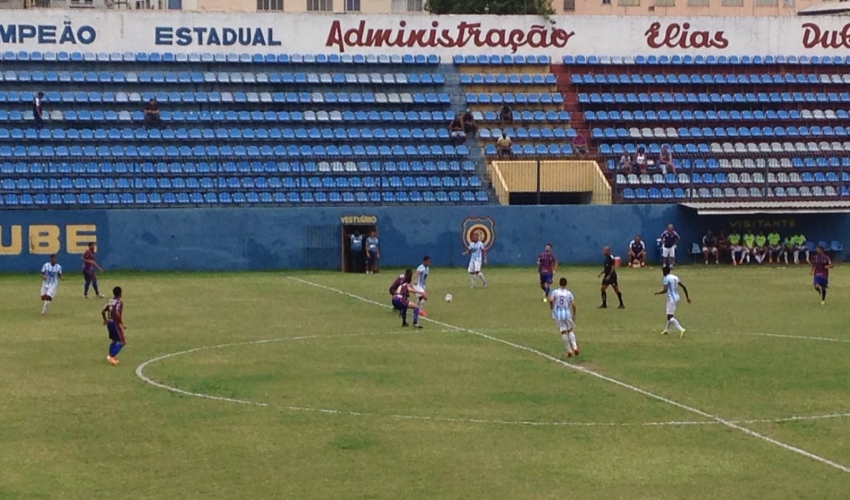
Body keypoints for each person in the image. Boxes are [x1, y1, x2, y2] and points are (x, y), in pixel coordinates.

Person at [655, 266, 691, 338]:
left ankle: (681, 329)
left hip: (671, 299)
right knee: (670, 315)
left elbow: (665, 290)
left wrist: (658, 293)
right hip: (677, 297)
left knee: (669, 317)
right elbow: (684, 287)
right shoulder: (675, 277)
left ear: (664, 272)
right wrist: (687, 297)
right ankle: (666, 330)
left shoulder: (666, 279)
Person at [548, 277, 579, 357]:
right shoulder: (569, 293)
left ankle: (569, 350)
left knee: (563, 332)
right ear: (566, 284)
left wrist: (551, 306)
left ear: (559, 284)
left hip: (558, 314)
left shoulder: (555, 292)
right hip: (566, 313)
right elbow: (573, 305)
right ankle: (575, 347)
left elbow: (551, 300)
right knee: (570, 330)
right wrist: (574, 314)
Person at [102, 286, 127, 366]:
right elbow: (117, 312)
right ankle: (111, 356)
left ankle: (110, 356)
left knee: (114, 340)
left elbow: (103, 310)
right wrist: (121, 323)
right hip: (114, 323)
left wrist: (105, 319)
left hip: (109, 322)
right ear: (120, 293)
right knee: (122, 342)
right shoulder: (119, 302)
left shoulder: (110, 301)